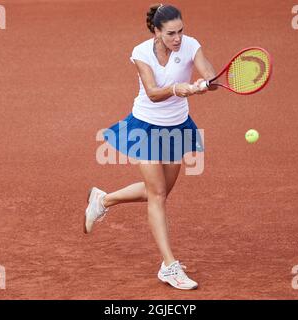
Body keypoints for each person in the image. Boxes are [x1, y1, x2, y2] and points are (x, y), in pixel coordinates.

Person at [84, 3, 217, 290]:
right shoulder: (141, 52)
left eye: (181, 31)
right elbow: (154, 93)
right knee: (157, 194)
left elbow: (208, 72)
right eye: (171, 33)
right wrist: (177, 89)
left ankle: (103, 200)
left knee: (160, 191)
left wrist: (208, 82)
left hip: (178, 127)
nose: (178, 38)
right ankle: (169, 265)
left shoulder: (191, 45)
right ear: (156, 31)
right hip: (146, 127)